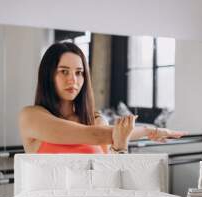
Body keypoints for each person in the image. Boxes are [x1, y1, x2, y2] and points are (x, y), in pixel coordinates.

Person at [19, 42, 186, 154]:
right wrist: (150, 131)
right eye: (64, 71)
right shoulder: (30, 116)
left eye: (79, 72)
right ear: (48, 75)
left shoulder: (96, 120)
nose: (73, 80)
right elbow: (94, 135)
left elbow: (109, 174)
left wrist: (121, 143)